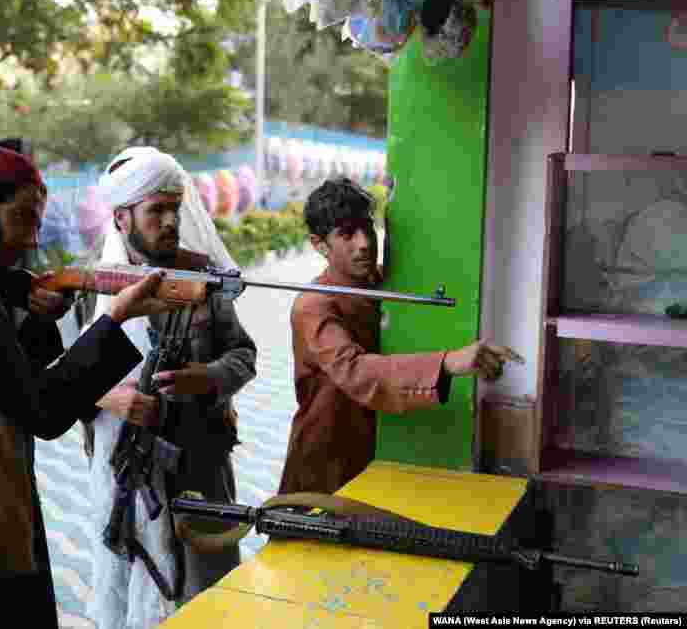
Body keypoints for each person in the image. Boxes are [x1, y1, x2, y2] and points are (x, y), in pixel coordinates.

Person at [0, 143, 174, 629]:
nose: (30, 240)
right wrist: (116, 318)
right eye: (21, 217)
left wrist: (37, 311)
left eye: (37, 220)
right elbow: (42, 408)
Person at [87, 146, 257, 629]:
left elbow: (244, 355)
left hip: (202, 461)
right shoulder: (94, 286)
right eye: (155, 210)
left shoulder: (202, 277)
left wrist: (208, 379)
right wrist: (113, 396)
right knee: (133, 588)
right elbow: (57, 375)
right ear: (122, 219)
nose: (168, 221)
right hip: (128, 469)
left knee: (213, 595)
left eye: (173, 209)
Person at [278, 177, 523, 496]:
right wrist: (447, 362)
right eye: (347, 235)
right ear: (319, 244)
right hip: (326, 461)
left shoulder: (386, 280)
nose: (364, 242)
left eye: (367, 228)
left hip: (384, 452)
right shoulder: (313, 306)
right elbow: (355, 370)